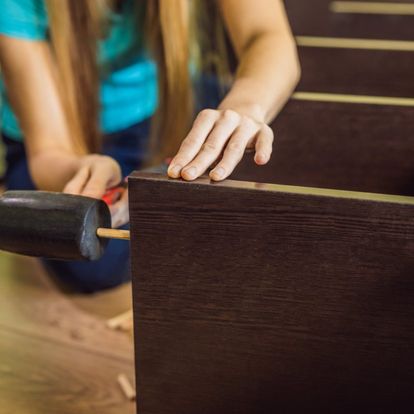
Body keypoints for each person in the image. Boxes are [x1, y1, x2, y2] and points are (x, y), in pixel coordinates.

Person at [0, 0, 300, 292]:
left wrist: (246, 108)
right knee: (94, 262)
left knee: (271, 127)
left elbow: (267, 35)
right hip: (57, 138)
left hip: (165, 106)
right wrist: (80, 173)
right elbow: (49, 150)